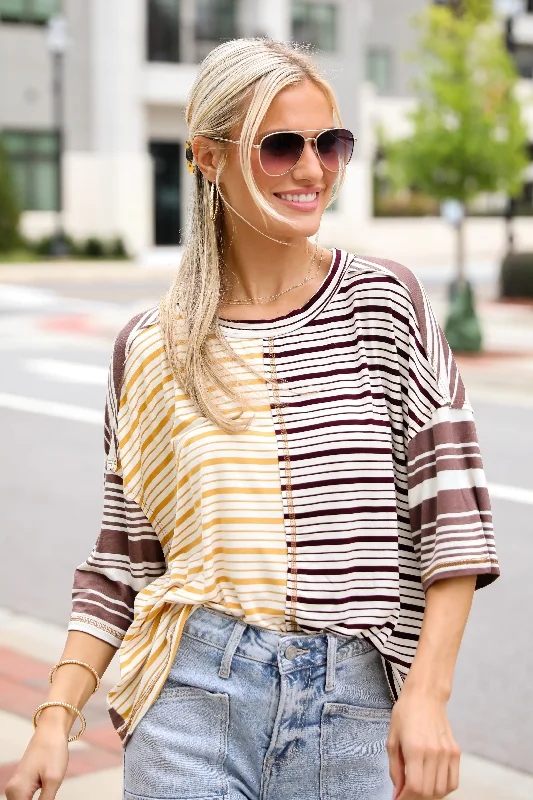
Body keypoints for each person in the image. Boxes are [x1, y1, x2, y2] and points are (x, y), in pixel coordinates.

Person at [6, 38, 499, 800]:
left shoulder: (385, 303)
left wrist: (426, 697)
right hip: (189, 704)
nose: (313, 169)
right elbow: (122, 563)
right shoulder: (149, 348)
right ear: (207, 157)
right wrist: (53, 716)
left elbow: (455, 518)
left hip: (355, 709)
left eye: (330, 143)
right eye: (280, 147)